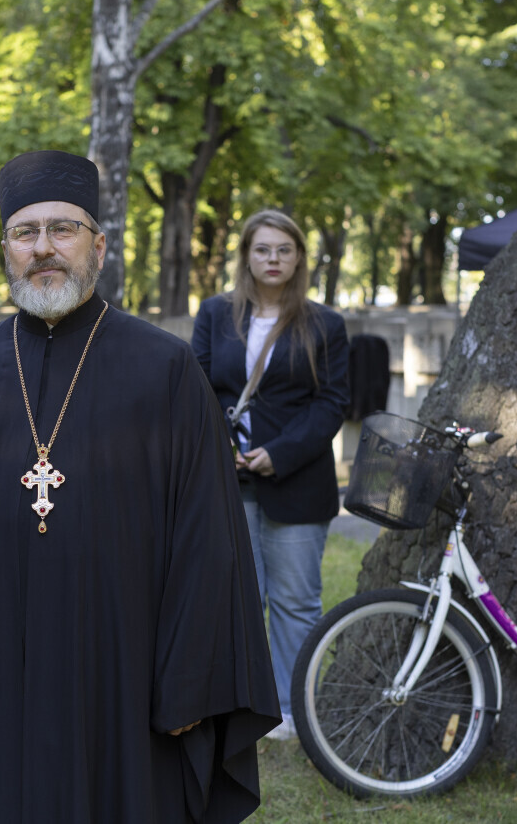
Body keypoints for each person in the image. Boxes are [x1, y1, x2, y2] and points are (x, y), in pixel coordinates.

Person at [0, 150, 279, 823]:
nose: (44, 248)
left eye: (63, 229)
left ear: (99, 246)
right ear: (5, 250)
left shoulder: (166, 370)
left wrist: (191, 678)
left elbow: (208, 537)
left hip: (121, 673)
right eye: (26, 232)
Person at [191, 209, 350, 741]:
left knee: (295, 602)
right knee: (236, 600)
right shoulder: (215, 314)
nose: (273, 259)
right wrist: (221, 446)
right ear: (246, 256)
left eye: (284, 249)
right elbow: (197, 388)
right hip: (228, 482)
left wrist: (278, 453)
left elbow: (331, 403)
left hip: (297, 482)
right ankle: (239, 708)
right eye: (262, 249)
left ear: (299, 257)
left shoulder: (325, 324)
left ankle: (290, 710)